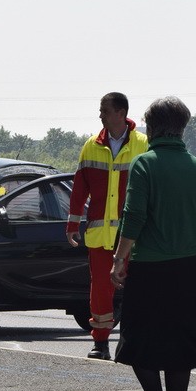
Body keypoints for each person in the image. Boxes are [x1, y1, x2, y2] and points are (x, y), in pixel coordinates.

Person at [110, 96, 196, 391]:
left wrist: (119, 259)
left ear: (151, 126)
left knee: (136, 338)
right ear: (182, 127)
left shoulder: (145, 164)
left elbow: (134, 216)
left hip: (151, 267)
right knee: (181, 345)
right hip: (190, 267)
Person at [66, 92, 149, 360]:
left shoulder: (143, 144)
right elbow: (79, 187)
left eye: (104, 110)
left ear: (121, 112)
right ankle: (100, 343)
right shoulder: (91, 145)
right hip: (101, 235)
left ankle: (134, 342)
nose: (100, 114)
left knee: (138, 291)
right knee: (101, 291)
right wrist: (73, 222)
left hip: (135, 236)